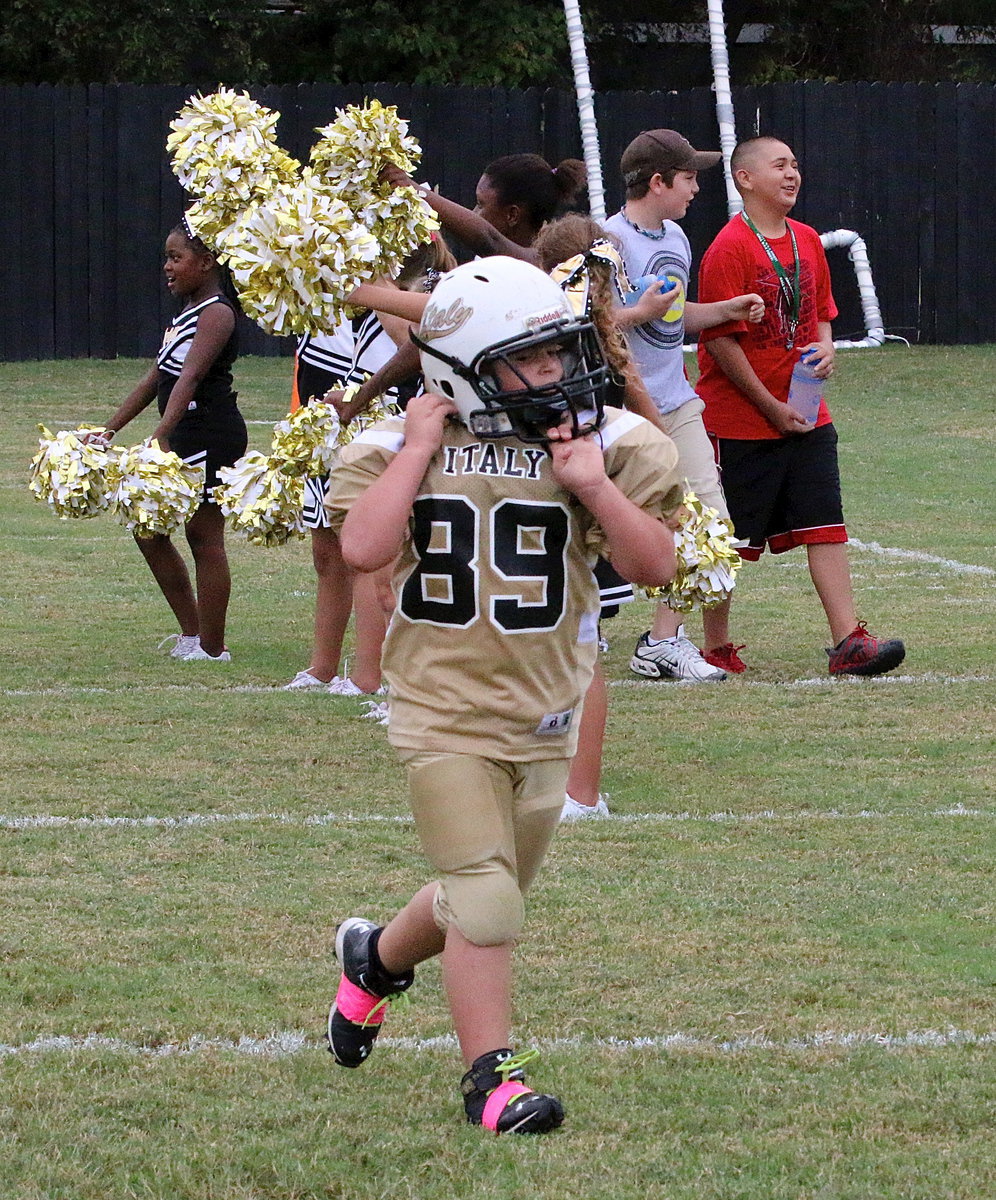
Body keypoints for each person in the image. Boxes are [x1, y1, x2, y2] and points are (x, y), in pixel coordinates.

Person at [324, 257, 681, 1133]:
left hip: (547, 707)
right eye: (536, 357)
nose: (560, 372)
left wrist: (592, 483)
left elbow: (659, 565)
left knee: (476, 897)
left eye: (560, 353)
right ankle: (492, 1079)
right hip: (440, 709)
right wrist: (414, 449)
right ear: (466, 365)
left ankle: (373, 961)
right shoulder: (398, 446)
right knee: (484, 895)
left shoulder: (604, 443)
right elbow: (363, 550)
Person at [696, 136, 905, 676]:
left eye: (795, 165)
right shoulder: (729, 247)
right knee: (729, 539)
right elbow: (719, 340)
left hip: (807, 412)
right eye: (779, 165)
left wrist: (827, 344)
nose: (792, 174)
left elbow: (821, 311)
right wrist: (768, 406)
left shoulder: (808, 239)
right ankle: (715, 646)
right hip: (741, 419)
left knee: (825, 524)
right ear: (744, 178)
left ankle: (848, 641)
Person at [603, 128, 766, 684]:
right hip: (619, 411)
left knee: (711, 522)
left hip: (677, 403)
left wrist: (724, 309)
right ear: (657, 181)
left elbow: (673, 318)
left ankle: (661, 641)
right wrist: (636, 314)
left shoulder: (676, 238)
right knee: (596, 526)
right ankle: (568, 625)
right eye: (690, 177)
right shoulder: (608, 243)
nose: (698, 187)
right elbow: (587, 320)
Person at [286, 240, 456, 695]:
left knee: (376, 564)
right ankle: (329, 669)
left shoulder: (417, 293)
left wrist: (377, 290)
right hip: (347, 438)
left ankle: (373, 678)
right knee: (335, 556)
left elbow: (415, 351)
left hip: (392, 442)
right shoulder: (353, 299)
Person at [91, 223, 247, 661]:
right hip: (183, 430)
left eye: (176, 258)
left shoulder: (217, 312)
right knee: (149, 529)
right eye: (167, 257)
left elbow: (192, 377)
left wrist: (158, 435)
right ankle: (192, 634)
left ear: (206, 262)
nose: (167, 267)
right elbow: (158, 377)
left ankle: (213, 648)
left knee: (203, 535)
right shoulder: (187, 312)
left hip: (211, 433)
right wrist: (109, 430)